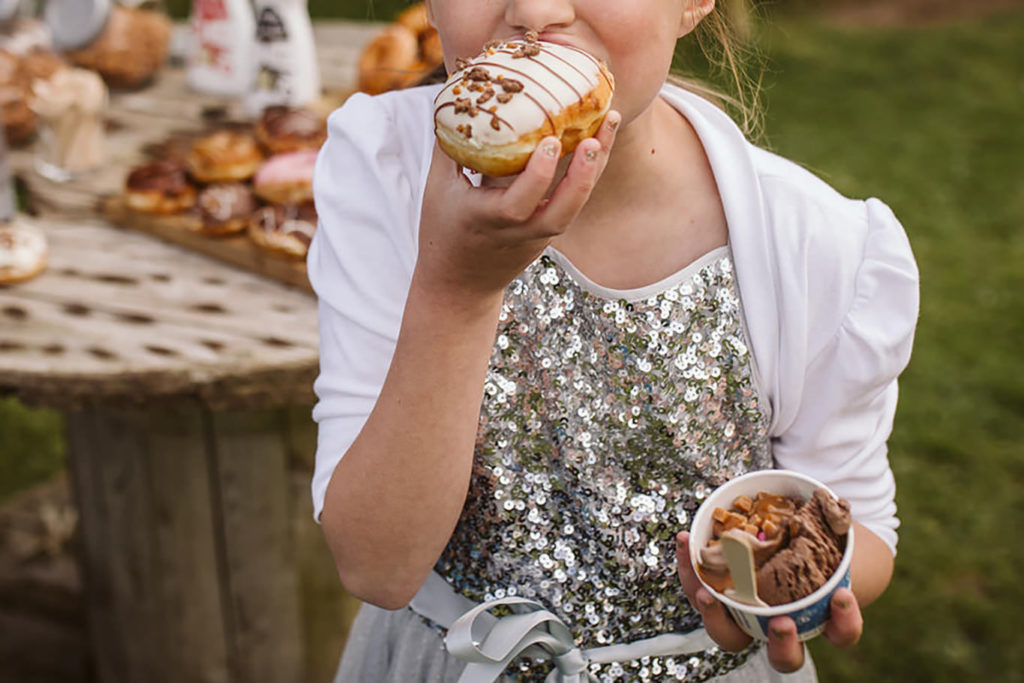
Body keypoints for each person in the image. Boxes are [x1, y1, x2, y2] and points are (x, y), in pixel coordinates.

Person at [308, 0, 919, 680]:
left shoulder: (815, 244)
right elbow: (375, 564)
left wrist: (779, 594)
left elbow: (858, 529)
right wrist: (457, 291)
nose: (535, 12)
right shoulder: (385, 169)